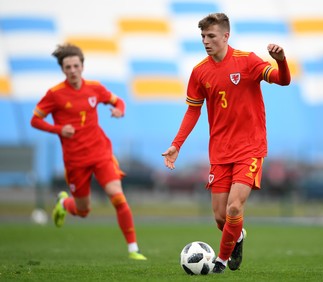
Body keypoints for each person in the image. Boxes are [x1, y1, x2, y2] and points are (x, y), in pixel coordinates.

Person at [162, 13, 290, 274]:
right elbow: (193, 111)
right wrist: (177, 144)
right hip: (220, 151)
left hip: (250, 148)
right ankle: (238, 236)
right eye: (203, 37)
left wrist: (281, 61)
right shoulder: (199, 72)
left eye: (211, 36)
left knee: (234, 206)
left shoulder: (247, 60)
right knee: (222, 217)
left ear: (225, 36)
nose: (206, 41)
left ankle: (220, 261)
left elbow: (282, 80)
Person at [30, 43, 147, 261]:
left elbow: (118, 101)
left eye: (76, 65)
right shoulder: (54, 94)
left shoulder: (95, 88)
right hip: (75, 160)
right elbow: (35, 120)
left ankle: (133, 249)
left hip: (101, 153)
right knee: (84, 211)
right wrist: (58, 129)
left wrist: (119, 110)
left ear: (82, 66)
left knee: (118, 197)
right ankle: (64, 203)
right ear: (63, 70)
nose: (72, 70)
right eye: (68, 67)